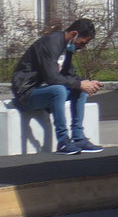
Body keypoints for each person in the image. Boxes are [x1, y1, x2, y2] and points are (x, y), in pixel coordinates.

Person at [10, 19, 104, 154]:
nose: (82, 47)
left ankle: (78, 137)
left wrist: (87, 83)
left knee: (80, 90)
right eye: (82, 43)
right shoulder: (51, 44)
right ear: (74, 34)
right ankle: (63, 141)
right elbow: (52, 78)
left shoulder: (67, 47)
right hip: (26, 93)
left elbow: (70, 74)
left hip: (43, 91)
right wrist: (79, 84)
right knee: (59, 90)